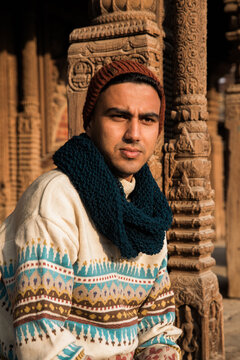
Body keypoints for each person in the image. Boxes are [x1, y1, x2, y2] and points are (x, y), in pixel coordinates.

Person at [0, 60, 182, 360]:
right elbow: (42, 343)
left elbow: (157, 326)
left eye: (147, 120)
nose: (134, 133)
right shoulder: (57, 198)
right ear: (90, 122)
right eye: (118, 116)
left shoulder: (150, 210)